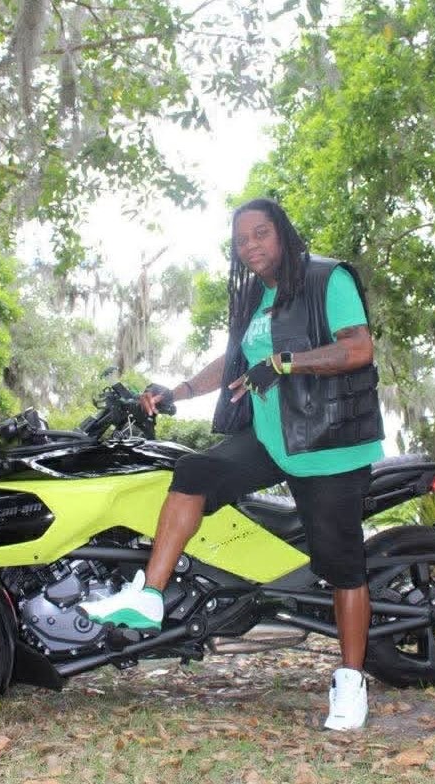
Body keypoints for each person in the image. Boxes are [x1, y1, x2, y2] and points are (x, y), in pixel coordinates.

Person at [79, 198, 384, 730]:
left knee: (341, 567)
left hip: (326, 443)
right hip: (270, 437)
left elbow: (358, 349)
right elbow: (235, 360)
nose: (250, 246)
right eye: (242, 240)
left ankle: (351, 682)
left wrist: (285, 363)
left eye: (260, 234)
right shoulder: (255, 297)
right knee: (193, 472)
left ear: (282, 233)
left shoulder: (326, 278)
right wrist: (177, 391)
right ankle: (149, 596)